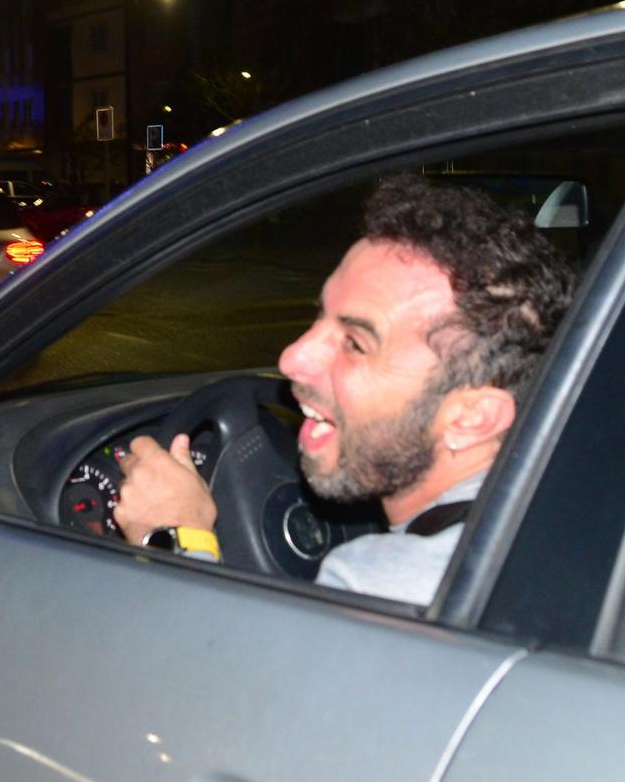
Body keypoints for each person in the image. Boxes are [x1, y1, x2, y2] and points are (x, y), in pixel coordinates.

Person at [111, 176, 574, 607]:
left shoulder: (383, 587)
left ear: (471, 418)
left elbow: (208, 683)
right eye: (319, 316)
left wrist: (174, 535)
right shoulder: (572, 512)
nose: (292, 357)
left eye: (355, 343)